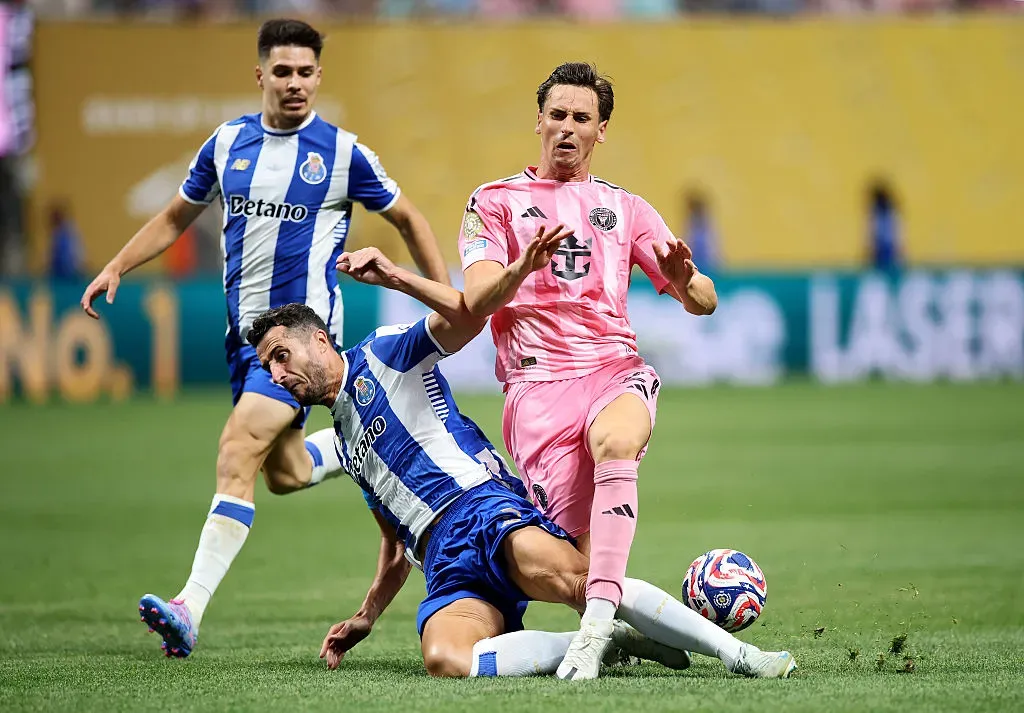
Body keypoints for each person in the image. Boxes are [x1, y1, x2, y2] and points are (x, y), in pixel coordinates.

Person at [247, 246, 796, 680]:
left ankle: (741, 655)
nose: (276, 374)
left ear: (319, 340)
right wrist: (367, 615)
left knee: (584, 585)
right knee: (445, 660)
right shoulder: (345, 440)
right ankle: (597, 642)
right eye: (268, 366)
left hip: (479, 508)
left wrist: (395, 276)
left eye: (281, 356)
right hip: (443, 562)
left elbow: (468, 317)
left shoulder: (382, 353)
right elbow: (394, 542)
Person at [79, 19, 449, 658]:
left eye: (306, 72)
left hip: (297, 345)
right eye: (283, 71)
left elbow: (408, 217)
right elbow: (175, 215)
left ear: (319, 77)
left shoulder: (342, 153)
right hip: (243, 342)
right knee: (285, 471)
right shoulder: (227, 144)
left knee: (237, 448)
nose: (295, 82)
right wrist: (117, 265)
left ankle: (189, 608)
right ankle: (361, 441)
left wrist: (443, 297)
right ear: (260, 76)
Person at [457, 61, 719, 679]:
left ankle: (598, 627)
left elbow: (705, 300)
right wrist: (521, 267)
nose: (567, 127)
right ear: (538, 121)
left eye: (582, 118)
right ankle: (611, 626)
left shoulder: (625, 209)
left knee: (617, 444)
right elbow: (477, 298)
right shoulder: (493, 202)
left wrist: (685, 281)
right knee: (576, 563)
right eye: (558, 115)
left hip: (611, 368)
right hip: (536, 392)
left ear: (601, 130)